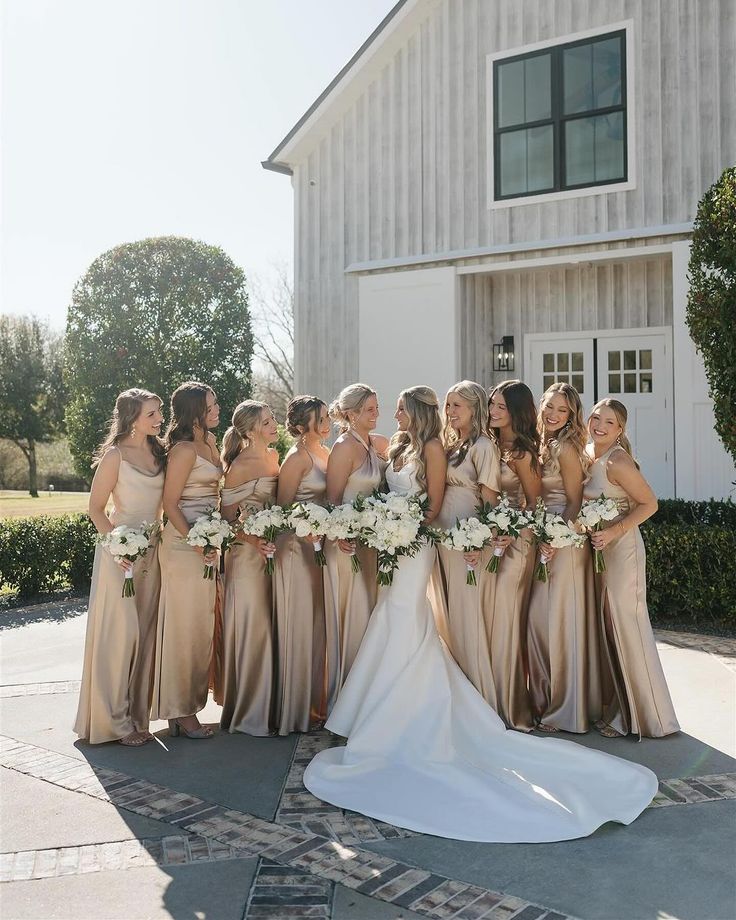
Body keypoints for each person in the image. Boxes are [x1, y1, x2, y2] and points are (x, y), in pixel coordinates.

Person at [304, 385, 657, 844]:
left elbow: (510, 501)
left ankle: (483, 707)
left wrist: (492, 536)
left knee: (463, 624)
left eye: (464, 404)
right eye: (452, 404)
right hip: (420, 543)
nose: (459, 411)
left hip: (458, 543)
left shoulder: (474, 448)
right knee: (424, 624)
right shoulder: (428, 445)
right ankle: (380, 705)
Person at [74, 388, 165, 745]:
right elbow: (96, 508)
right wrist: (117, 546)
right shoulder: (115, 456)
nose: (159, 420)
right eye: (152, 414)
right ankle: (113, 721)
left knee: (144, 634)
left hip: (153, 552)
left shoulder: (159, 452)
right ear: (131, 418)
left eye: (159, 413)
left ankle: (136, 714)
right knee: (121, 634)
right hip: (119, 555)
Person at [585, 399, 679, 739]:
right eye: (596, 417)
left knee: (628, 625)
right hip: (596, 549)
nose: (600, 424)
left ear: (620, 430)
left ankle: (645, 716)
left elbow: (649, 504)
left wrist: (613, 531)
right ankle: (615, 707)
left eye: (609, 422)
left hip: (622, 549)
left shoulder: (618, 460)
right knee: (607, 627)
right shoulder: (587, 453)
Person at [527, 382, 601, 733]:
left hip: (566, 542)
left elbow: (575, 500)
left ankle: (565, 708)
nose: (553, 414)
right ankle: (546, 701)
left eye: (561, 410)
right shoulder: (543, 444)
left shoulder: (568, 448)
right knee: (542, 622)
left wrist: (559, 537)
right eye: (549, 407)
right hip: (545, 537)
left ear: (572, 415)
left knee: (560, 622)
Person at [151, 382, 221, 739]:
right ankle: (181, 711)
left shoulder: (210, 443)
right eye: (211, 404)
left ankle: (186, 707)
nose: (217, 408)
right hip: (183, 546)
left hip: (209, 543)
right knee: (183, 629)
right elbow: (170, 503)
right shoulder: (182, 451)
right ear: (194, 410)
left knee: (200, 628)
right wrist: (197, 541)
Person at [431, 381, 501, 699]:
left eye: (457, 405)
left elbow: (489, 501)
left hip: (467, 542)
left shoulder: (483, 446)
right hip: (443, 538)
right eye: (448, 405)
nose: (450, 411)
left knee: (466, 616)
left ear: (475, 408)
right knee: (445, 616)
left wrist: (479, 543)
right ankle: (452, 691)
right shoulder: (452, 444)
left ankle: (477, 695)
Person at [322, 383, 387, 708]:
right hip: (345, 543)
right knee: (353, 615)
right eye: (370, 409)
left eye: (377, 407)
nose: (377, 414)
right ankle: (346, 700)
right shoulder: (344, 447)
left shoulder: (374, 445)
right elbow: (332, 500)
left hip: (371, 541)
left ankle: (368, 695)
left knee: (370, 616)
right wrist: (342, 532)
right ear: (351, 414)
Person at [219, 400, 280, 736]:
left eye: (273, 419)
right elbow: (226, 520)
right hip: (246, 555)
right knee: (253, 625)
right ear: (252, 428)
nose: (275, 425)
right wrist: (254, 540)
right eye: (268, 421)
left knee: (270, 625)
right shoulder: (239, 466)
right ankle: (248, 714)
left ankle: (268, 706)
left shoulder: (273, 457)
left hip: (273, 551)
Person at [486, 380, 542, 730]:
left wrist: (510, 528)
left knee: (508, 618)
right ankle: (492, 697)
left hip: (518, 542)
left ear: (516, 412)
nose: (493, 411)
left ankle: (513, 707)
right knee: (493, 619)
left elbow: (535, 504)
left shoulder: (523, 452)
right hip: (491, 539)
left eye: (501, 407)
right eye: (491, 404)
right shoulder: (489, 444)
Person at [273, 396, 331, 734]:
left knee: (317, 624)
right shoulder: (296, 458)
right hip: (296, 548)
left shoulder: (324, 452)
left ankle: (315, 703)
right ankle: (296, 709)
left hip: (319, 547)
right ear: (303, 424)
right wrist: (305, 528)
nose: (327, 421)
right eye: (321, 417)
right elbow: (281, 509)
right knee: (301, 623)